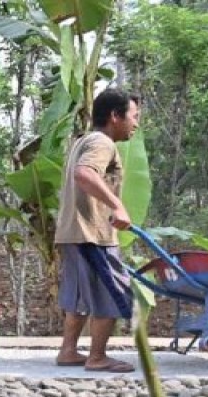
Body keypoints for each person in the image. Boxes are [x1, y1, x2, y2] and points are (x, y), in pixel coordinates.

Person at [53, 88, 140, 374]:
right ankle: (98, 356)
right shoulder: (102, 142)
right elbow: (84, 173)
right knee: (114, 291)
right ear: (115, 116)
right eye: (134, 116)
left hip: (73, 232)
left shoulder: (83, 140)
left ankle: (68, 351)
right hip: (91, 234)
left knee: (78, 294)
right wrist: (117, 205)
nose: (136, 124)